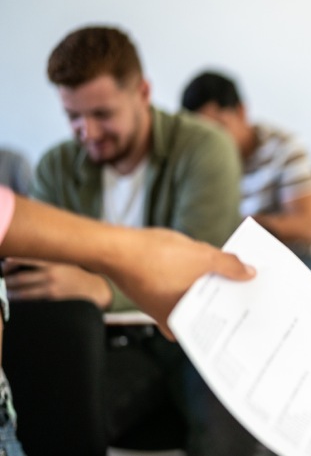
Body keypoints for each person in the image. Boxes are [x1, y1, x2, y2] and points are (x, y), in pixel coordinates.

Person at [6, 25, 259, 455]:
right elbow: (46, 271)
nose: (87, 131)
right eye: (73, 116)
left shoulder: (204, 148)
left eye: (102, 114)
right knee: (41, 411)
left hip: (190, 337)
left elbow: (198, 273)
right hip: (96, 340)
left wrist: (100, 287)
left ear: (142, 92)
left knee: (224, 432)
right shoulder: (56, 166)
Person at [0, 186, 256, 456]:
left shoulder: (200, 154)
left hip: (171, 339)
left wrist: (109, 281)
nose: (89, 139)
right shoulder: (59, 165)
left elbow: (200, 272)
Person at [179, 70, 311, 281]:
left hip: (291, 262)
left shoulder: (285, 150)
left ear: (241, 112)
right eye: (204, 134)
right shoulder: (199, 161)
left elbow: (307, 227)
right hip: (224, 263)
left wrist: (247, 225)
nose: (213, 142)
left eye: (220, 128)